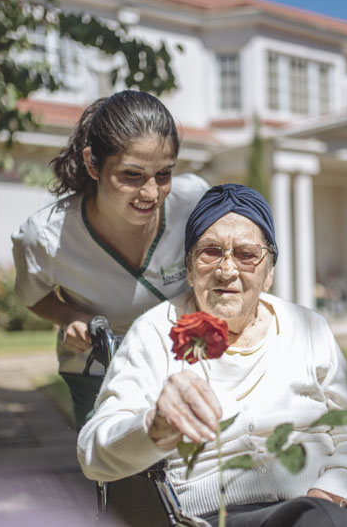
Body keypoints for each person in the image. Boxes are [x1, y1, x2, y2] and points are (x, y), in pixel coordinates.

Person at [78, 184, 347, 527]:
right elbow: (94, 453)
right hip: (220, 515)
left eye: (246, 254)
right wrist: (154, 426)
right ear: (190, 269)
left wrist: (328, 493)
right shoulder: (154, 333)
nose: (227, 270)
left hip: (330, 504)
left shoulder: (309, 328)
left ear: (268, 273)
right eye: (210, 252)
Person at [11, 90, 209, 428]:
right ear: (92, 163)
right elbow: (34, 296)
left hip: (183, 359)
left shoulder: (194, 202)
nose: (151, 193)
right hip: (98, 371)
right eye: (131, 175)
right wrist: (71, 316)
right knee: (118, 471)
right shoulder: (45, 237)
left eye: (164, 174)